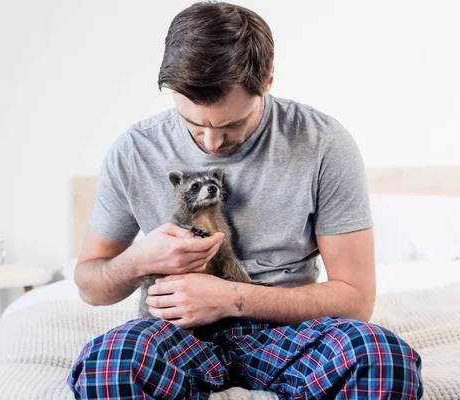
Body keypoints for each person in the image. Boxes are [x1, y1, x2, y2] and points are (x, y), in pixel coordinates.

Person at [67, 2, 423, 399]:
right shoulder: (135, 150)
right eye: (193, 124)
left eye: (231, 124)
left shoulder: (323, 143)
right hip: (175, 334)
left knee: (379, 355)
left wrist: (231, 298)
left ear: (268, 80)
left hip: (286, 334)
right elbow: (90, 286)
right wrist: (138, 260)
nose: (211, 143)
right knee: (110, 362)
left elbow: (356, 300)